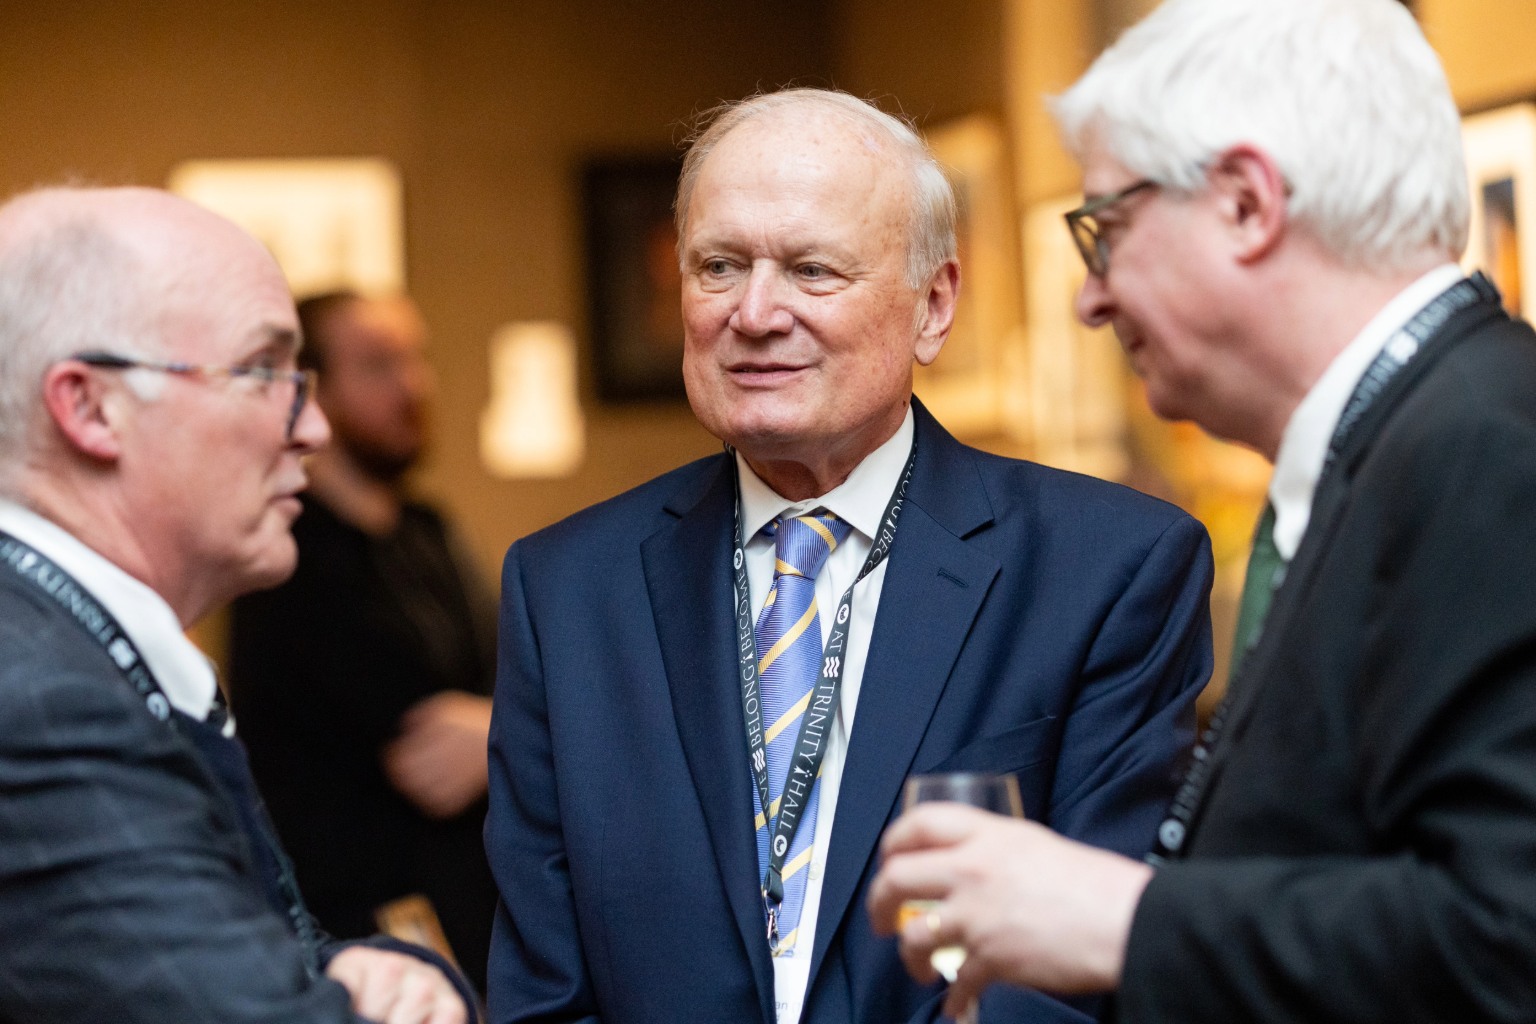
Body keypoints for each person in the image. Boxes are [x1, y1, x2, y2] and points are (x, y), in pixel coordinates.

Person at [485, 87, 1214, 1024]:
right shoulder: (567, 594)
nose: (753, 312)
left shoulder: (1107, 572)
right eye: (717, 265)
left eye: (812, 271)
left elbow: (1093, 976)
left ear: (933, 306)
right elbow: (545, 993)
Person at [868, 2, 1536, 1021]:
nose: (1088, 301)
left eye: (1106, 228)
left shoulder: (1486, 451)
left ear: (1244, 203)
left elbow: (1508, 938)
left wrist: (1125, 919)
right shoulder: (1403, 445)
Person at [0, 185, 476, 1024]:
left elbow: (245, 950)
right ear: (89, 406)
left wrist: (372, 967)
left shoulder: (67, 645)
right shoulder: (38, 698)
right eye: (263, 372)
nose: (311, 428)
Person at [229, 291, 499, 993]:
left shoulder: (426, 530)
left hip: (471, 914)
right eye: (379, 365)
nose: (412, 386)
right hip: (352, 938)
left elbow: (511, 676)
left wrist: (499, 727)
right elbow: (431, 752)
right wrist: (511, 728)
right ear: (312, 390)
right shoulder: (285, 555)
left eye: (416, 359)